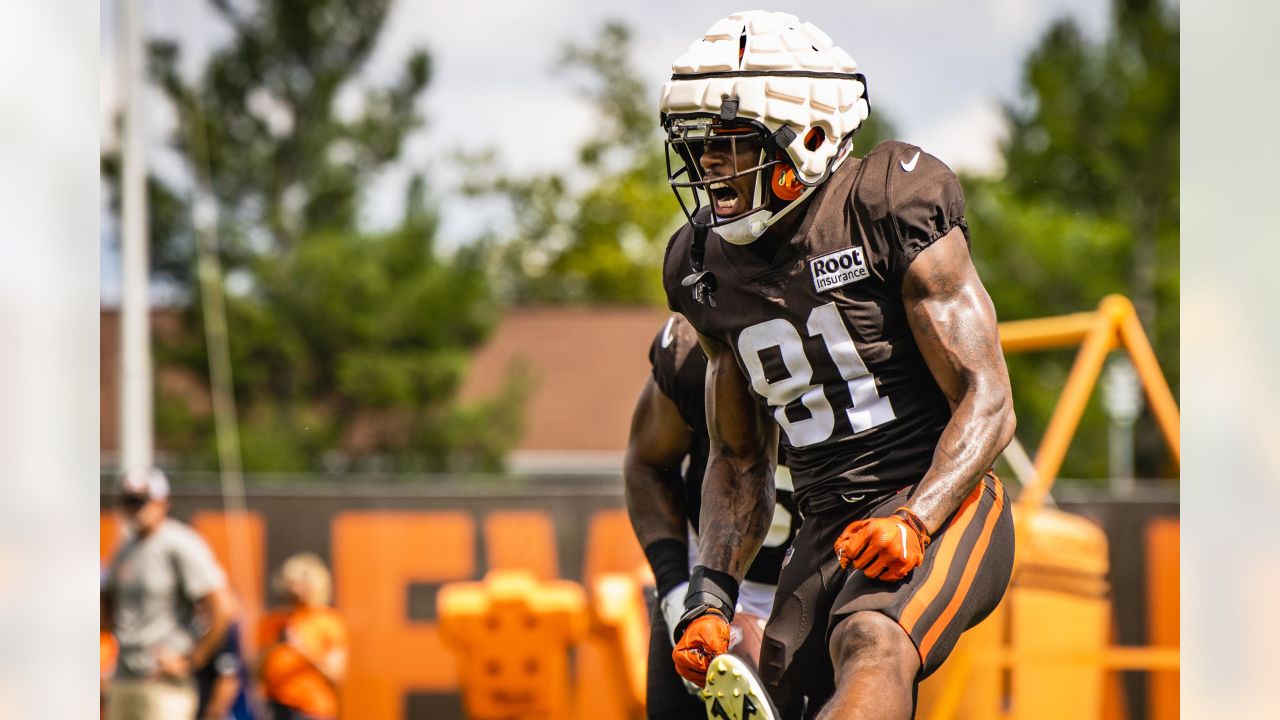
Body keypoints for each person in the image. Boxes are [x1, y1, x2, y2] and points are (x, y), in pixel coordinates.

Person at [657, 11, 1017, 720]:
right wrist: (710, 593)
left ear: (811, 137)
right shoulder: (703, 266)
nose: (710, 169)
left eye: (730, 144)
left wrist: (917, 517)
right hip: (823, 527)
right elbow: (738, 459)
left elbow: (989, 396)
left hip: (940, 498)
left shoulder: (886, 200)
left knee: (873, 641)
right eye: (700, 148)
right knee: (783, 695)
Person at [626, 313, 802, 718]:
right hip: (707, 576)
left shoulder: (871, 343)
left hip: (824, 572)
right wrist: (676, 593)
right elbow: (646, 464)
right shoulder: (695, 346)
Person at [103, 467, 234, 720]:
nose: (135, 509)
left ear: (163, 502)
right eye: (129, 501)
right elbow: (107, 611)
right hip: (125, 677)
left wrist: (191, 660)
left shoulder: (180, 543)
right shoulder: (123, 549)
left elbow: (222, 607)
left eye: (142, 501)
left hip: (164, 684)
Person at [257, 553, 348, 720]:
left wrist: (301, 649)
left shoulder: (328, 621)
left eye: (302, 584)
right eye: (292, 583)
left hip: (312, 710)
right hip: (275, 707)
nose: (295, 590)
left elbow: (336, 674)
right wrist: (274, 646)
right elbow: (255, 670)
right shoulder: (272, 621)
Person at [194, 620, 256, 720]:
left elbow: (228, 682)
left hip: (230, 711)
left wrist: (210, 715)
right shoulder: (202, 627)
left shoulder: (224, 633)